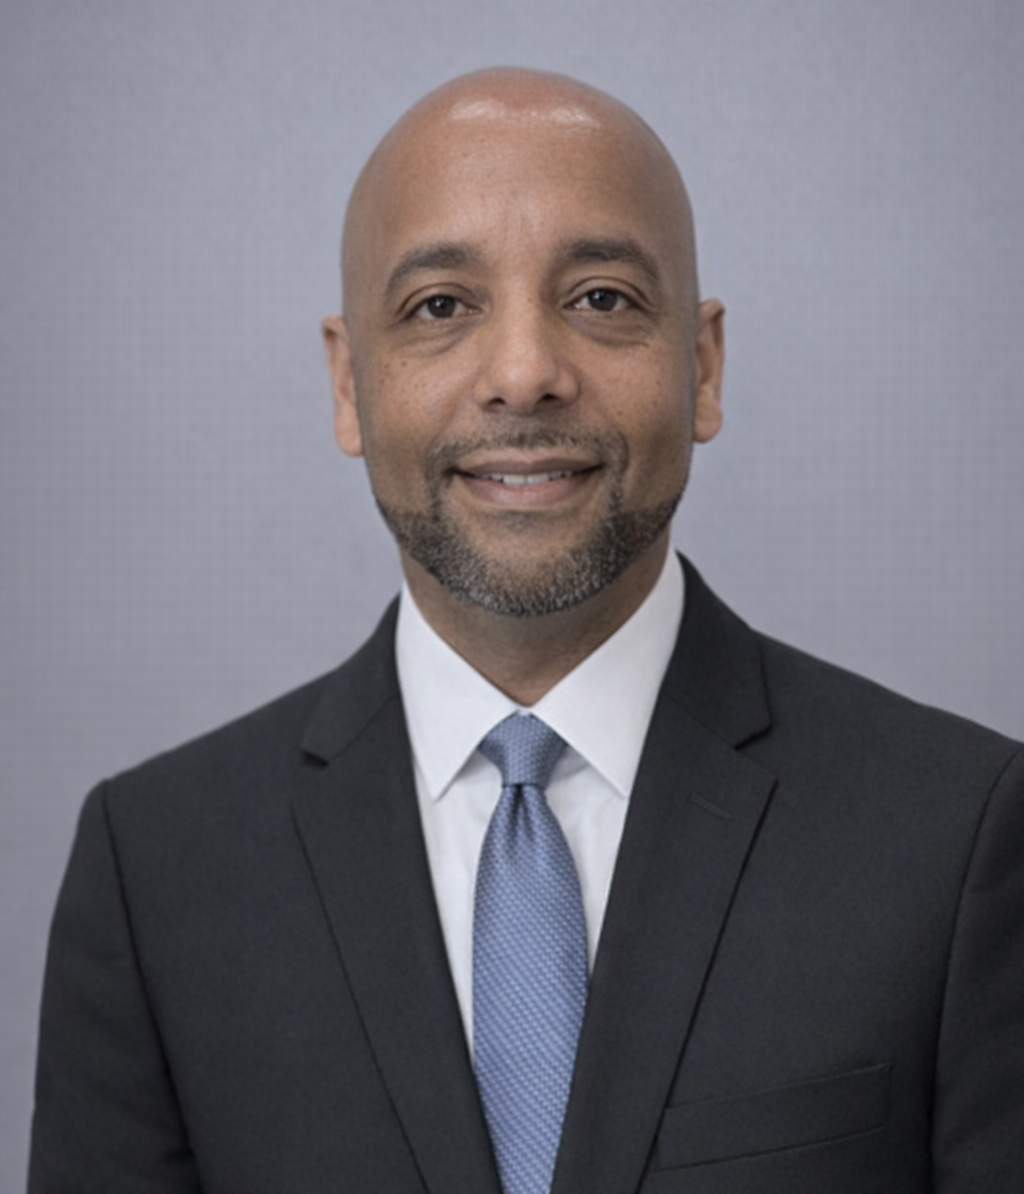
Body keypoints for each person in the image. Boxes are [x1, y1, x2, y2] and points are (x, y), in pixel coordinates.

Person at [29, 68, 1023, 1194]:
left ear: (701, 367)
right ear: (349, 383)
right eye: (439, 307)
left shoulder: (962, 835)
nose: (523, 376)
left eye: (600, 297)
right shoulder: (155, 868)